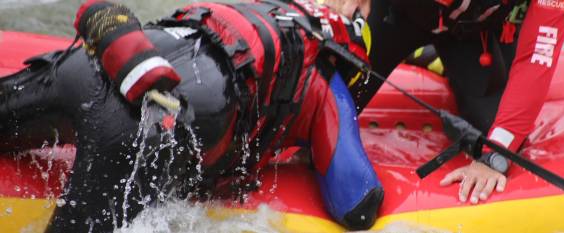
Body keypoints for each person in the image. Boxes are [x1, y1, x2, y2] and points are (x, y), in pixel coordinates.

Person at [0, 0, 383, 231]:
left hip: (94, 61)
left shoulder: (251, 12)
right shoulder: (324, 77)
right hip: (149, 127)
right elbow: (356, 203)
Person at [325, 0, 564, 204]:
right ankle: (416, 50)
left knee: (492, 134)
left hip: (470, 33)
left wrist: (494, 155)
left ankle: (438, 57)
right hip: (395, 14)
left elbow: (537, 60)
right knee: (325, 112)